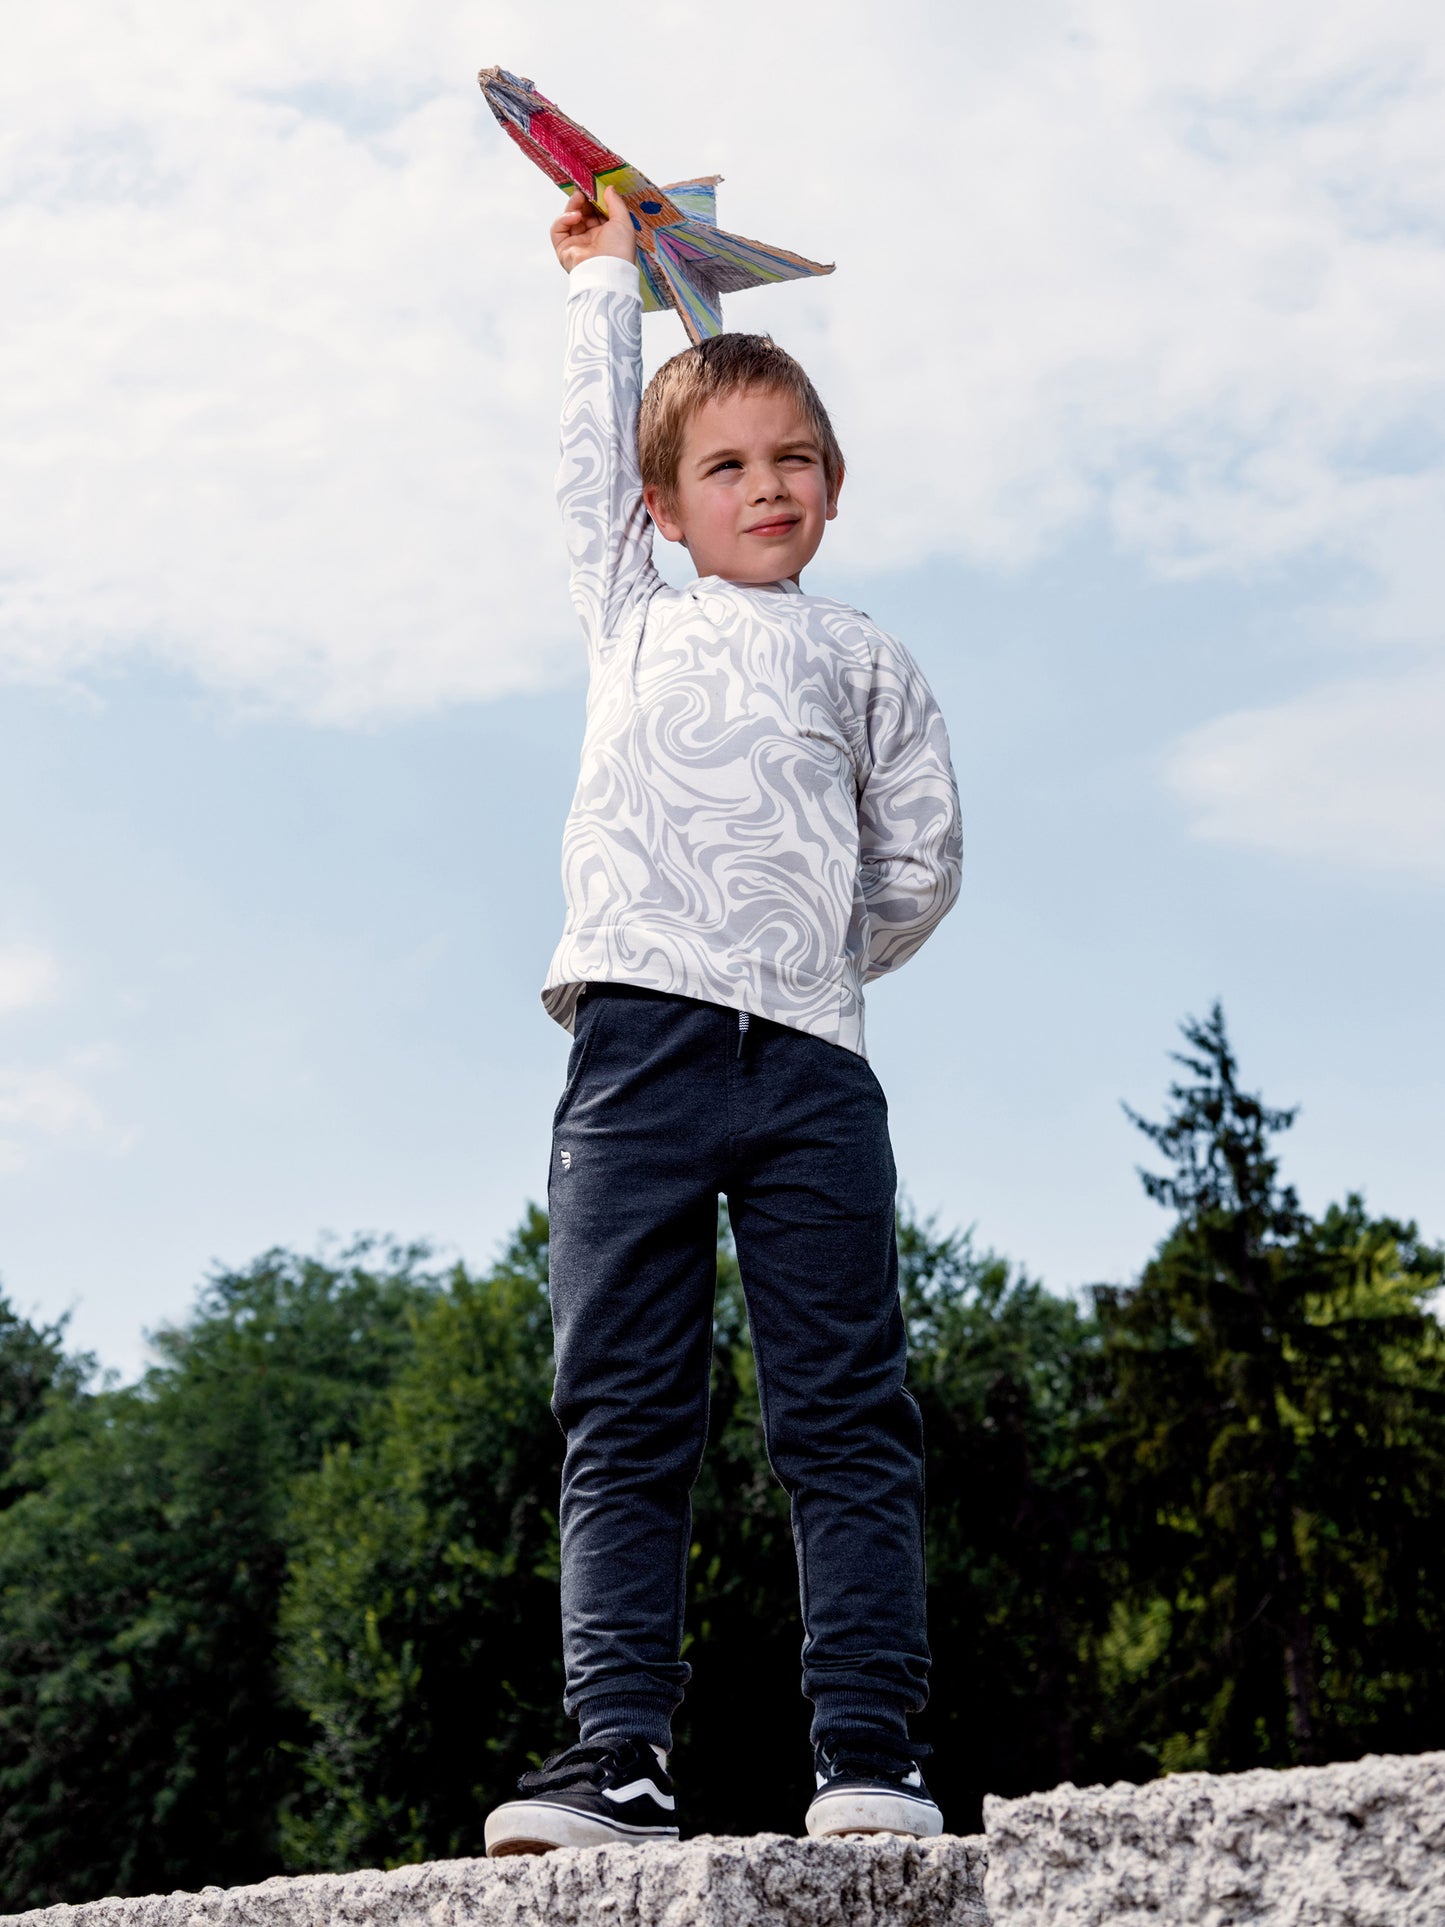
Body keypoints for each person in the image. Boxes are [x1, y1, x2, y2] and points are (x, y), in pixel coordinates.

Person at [484, 186, 962, 1856]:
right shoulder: (634, 612)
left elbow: (918, 862)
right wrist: (604, 280)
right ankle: (614, 1758)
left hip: (816, 1071)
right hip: (636, 1057)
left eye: (793, 461)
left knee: (841, 1415)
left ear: (833, 485)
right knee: (623, 1407)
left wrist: (805, 965)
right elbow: (577, 452)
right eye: (725, 467)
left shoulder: (866, 658)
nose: (765, 488)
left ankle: (871, 1757)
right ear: (663, 509)